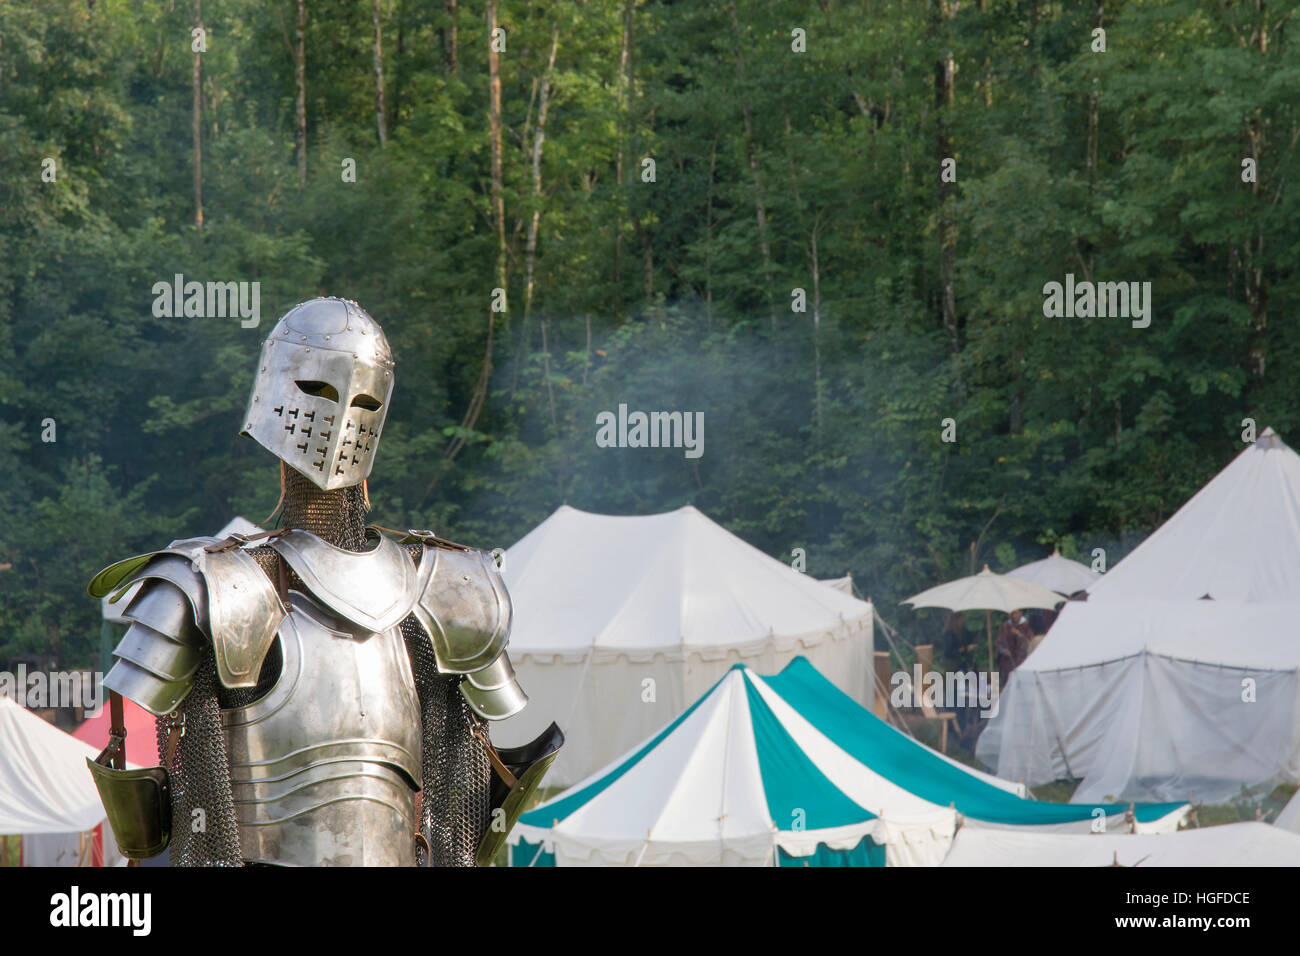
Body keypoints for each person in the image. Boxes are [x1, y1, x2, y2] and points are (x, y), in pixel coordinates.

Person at [86, 297, 562, 866]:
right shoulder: (220, 588)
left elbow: (462, 809)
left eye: (358, 403)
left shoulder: (445, 590)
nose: (337, 425)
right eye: (319, 395)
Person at [995, 608, 1034, 689]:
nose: (1014, 616)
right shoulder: (1006, 626)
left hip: (1022, 660)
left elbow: (1030, 642)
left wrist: (1019, 634)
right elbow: (999, 642)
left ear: (1020, 613)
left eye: (1016, 613)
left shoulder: (1027, 625)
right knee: (1007, 684)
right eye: (1012, 613)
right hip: (1007, 661)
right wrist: (1003, 651)